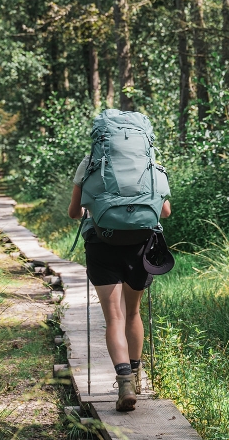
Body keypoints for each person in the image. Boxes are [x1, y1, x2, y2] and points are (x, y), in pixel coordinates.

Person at [68, 157, 171, 412]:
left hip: (102, 244)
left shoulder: (90, 162)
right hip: (140, 244)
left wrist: (95, 210)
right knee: (133, 313)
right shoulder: (148, 160)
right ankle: (135, 375)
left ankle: (124, 382)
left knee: (114, 317)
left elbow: (74, 212)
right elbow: (165, 211)